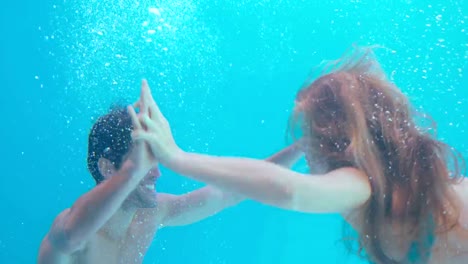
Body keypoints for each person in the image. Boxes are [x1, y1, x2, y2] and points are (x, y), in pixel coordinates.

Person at [131, 47, 468, 263]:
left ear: (339, 143)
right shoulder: (383, 188)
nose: (306, 153)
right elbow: (260, 182)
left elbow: (289, 189)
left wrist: (176, 157)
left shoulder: (359, 184)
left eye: (308, 137)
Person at [37, 84, 304, 264]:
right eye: (142, 161)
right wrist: (132, 172)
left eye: (155, 159)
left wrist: (304, 146)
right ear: (109, 168)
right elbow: (71, 235)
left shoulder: (150, 215)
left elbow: (229, 192)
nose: (156, 173)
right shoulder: (73, 234)